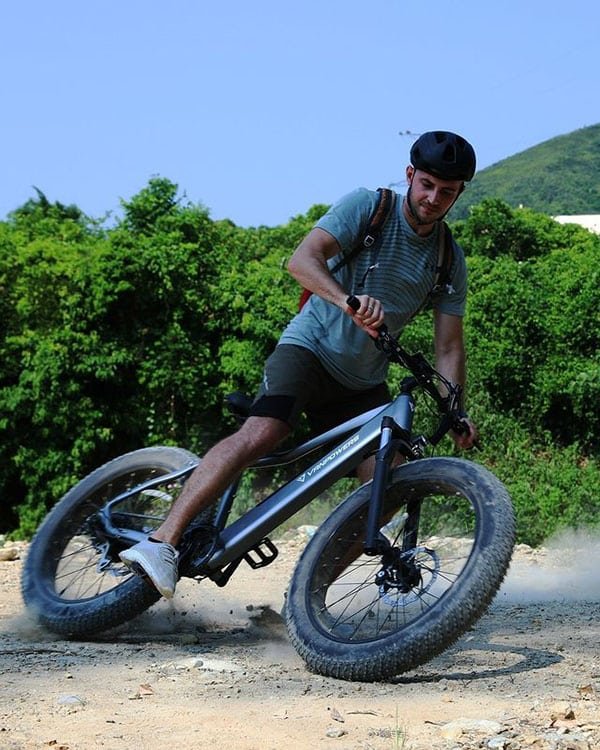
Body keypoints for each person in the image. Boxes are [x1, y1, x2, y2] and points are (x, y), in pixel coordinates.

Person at [120, 130, 480, 599]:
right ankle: (161, 542)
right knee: (264, 433)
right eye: (427, 184)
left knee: (385, 487)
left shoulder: (449, 259)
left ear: (459, 193)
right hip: (309, 347)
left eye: (446, 191)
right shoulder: (369, 207)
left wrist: (456, 409)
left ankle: (306, 601)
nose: (433, 198)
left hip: (362, 380)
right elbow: (302, 260)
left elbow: (449, 348)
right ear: (410, 175)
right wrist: (346, 301)